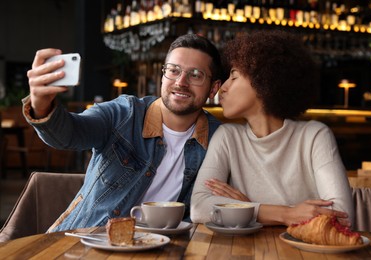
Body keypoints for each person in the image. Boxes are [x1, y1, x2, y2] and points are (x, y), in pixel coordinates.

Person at [23, 34, 223, 232]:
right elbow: (69, 134)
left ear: (213, 89)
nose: (181, 82)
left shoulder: (219, 138)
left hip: (159, 250)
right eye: (173, 70)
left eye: (195, 74)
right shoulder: (124, 114)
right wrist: (41, 107)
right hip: (84, 241)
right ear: (163, 75)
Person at [190, 30, 354, 227]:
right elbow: (199, 208)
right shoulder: (228, 137)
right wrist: (283, 214)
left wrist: (245, 208)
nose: (223, 88)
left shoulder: (314, 136)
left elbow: (343, 217)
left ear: (264, 80)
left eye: (233, 76)